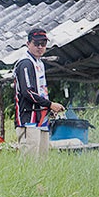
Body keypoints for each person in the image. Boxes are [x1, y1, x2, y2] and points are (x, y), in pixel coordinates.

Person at [13, 27, 65, 157]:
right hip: (28, 119)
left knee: (42, 160)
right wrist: (50, 104)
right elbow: (27, 92)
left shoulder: (39, 63)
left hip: (42, 119)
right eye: (36, 44)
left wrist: (48, 108)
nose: (40, 47)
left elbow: (41, 91)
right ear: (28, 44)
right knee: (29, 162)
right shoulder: (25, 63)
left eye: (43, 44)